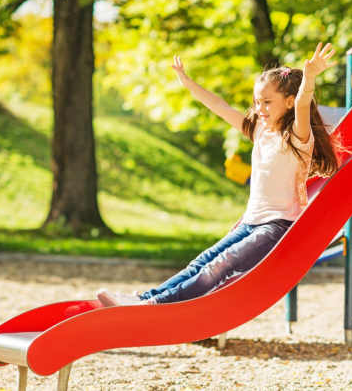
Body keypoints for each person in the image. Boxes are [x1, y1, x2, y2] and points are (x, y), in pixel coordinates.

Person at [97, 42, 339, 307]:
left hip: (277, 226)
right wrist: (188, 84)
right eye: (257, 102)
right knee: (202, 261)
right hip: (250, 222)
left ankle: (154, 305)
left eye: (268, 102)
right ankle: (144, 298)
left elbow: (304, 103)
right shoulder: (259, 131)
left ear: (289, 102)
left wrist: (310, 78)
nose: (260, 108)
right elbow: (220, 107)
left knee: (220, 265)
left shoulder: (297, 137)